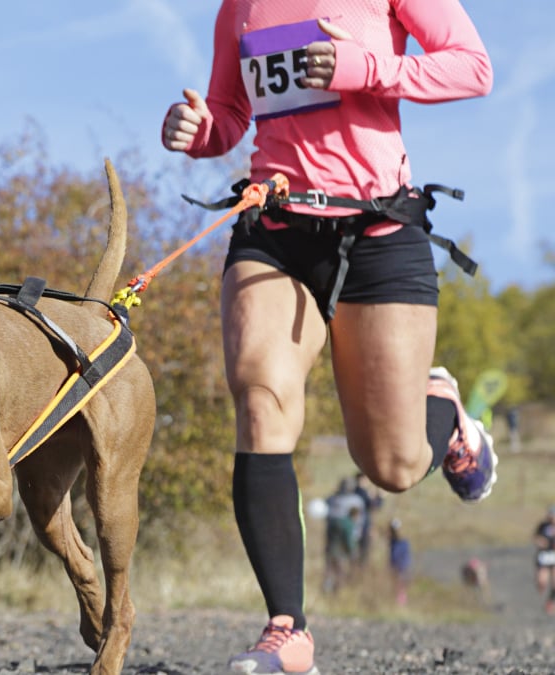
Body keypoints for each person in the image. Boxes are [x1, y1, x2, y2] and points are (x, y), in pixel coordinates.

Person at [160, 2, 496, 673]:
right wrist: (200, 131)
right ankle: (288, 629)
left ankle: (447, 414)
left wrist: (365, 67)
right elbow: (230, 114)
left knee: (394, 466)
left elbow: (474, 68)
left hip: (377, 230)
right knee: (259, 395)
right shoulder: (242, 6)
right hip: (275, 228)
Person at [352, 472, 382, 568]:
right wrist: (380, 497)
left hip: (358, 527)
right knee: (363, 554)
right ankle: (359, 574)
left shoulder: (354, 492)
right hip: (363, 528)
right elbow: (374, 506)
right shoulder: (362, 493)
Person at [535, 506, 555, 616]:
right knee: (542, 581)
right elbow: (536, 537)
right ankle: (540, 595)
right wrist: (540, 542)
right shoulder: (543, 526)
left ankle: (550, 602)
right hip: (544, 556)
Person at [387, 519, 411, 607]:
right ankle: (397, 604)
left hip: (401, 567)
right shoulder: (393, 541)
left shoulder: (402, 541)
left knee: (400, 587)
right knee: (396, 587)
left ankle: (401, 605)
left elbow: (401, 556)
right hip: (396, 567)